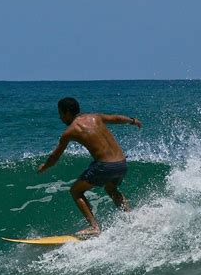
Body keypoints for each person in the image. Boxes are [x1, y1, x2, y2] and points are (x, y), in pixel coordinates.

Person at [38, 97, 142, 236]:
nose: (60, 118)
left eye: (61, 114)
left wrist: (44, 167)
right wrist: (133, 120)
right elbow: (116, 118)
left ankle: (94, 227)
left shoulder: (70, 131)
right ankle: (131, 218)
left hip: (105, 166)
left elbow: (54, 157)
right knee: (111, 188)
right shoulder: (95, 117)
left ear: (68, 112)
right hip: (121, 164)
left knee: (75, 191)